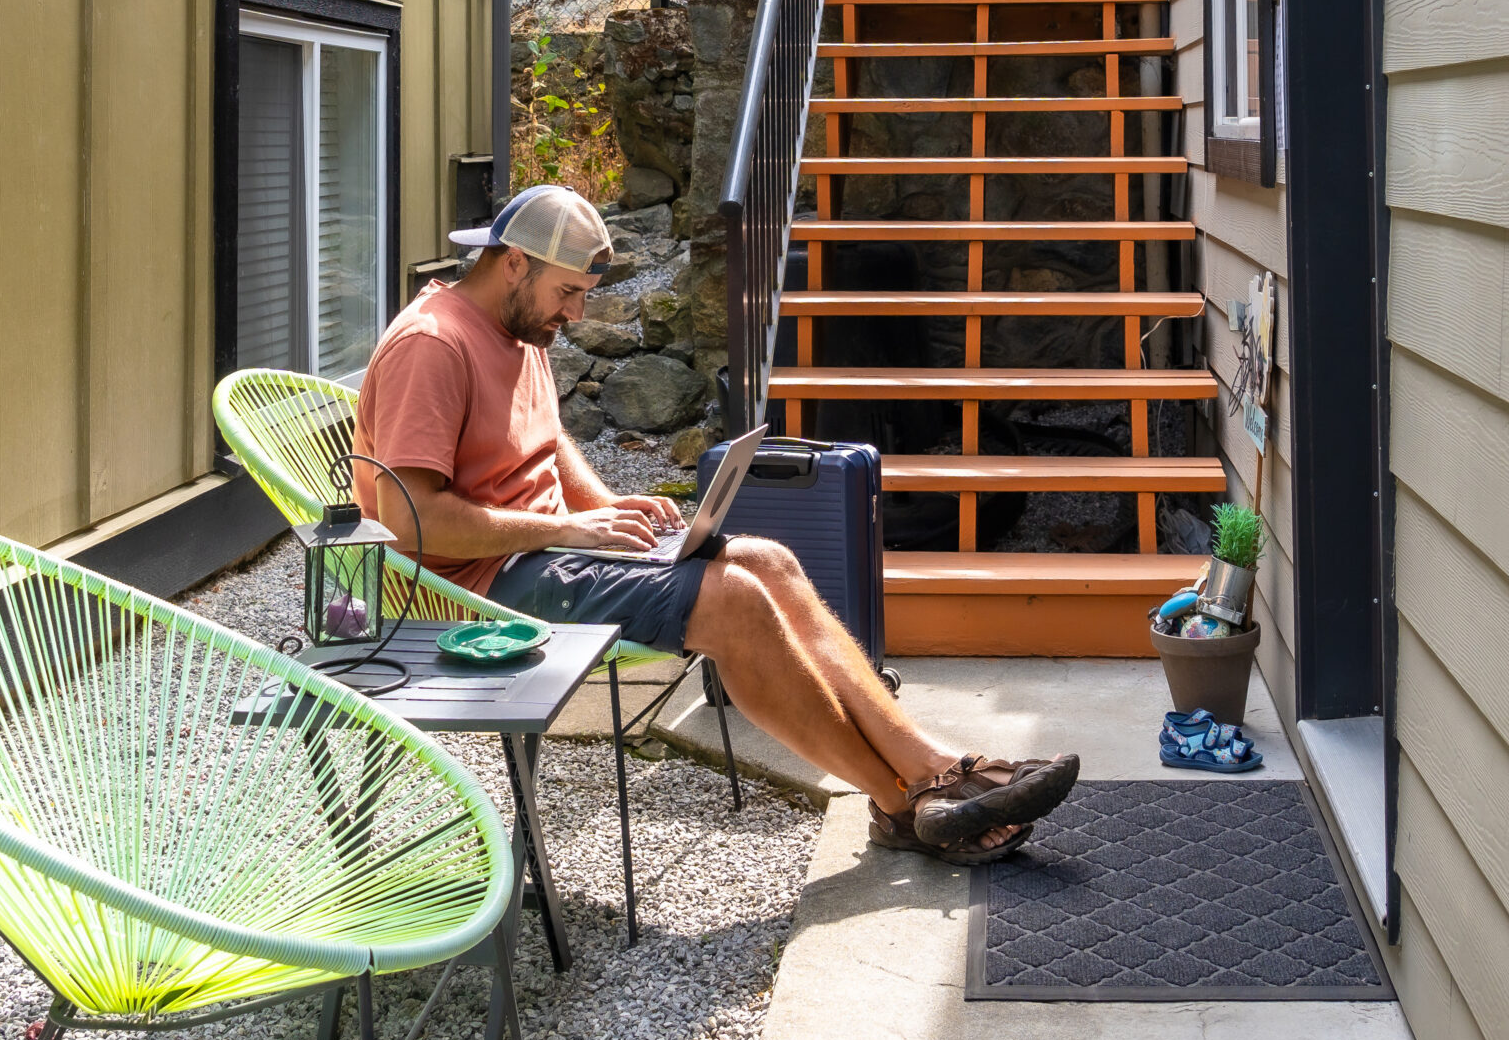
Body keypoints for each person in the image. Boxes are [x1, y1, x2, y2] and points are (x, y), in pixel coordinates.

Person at [353, 184, 1078, 862]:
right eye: (567, 292)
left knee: (768, 562)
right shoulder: (435, 344)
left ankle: (930, 765)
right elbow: (412, 521)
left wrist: (602, 506)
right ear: (512, 263)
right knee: (735, 602)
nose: (574, 313)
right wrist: (567, 532)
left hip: (542, 558)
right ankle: (904, 802)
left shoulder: (519, 329)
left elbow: (546, 443)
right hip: (474, 592)